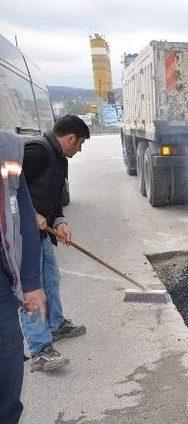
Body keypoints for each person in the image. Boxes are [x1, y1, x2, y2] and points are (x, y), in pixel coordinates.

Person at [19, 115, 90, 371]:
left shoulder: (60, 158)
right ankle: (39, 350)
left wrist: (59, 221)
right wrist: (30, 213)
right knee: (31, 288)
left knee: (50, 277)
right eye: (79, 144)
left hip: (42, 232)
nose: (79, 149)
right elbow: (8, 185)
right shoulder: (37, 152)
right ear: (71, 138)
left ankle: (56, 324)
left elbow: (53, 193)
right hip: (22, 233)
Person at [0, 131, 44, 423]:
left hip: (2, 280)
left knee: (8, 360)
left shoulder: (7, 150)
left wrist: (30, 282)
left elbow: (23, 209)